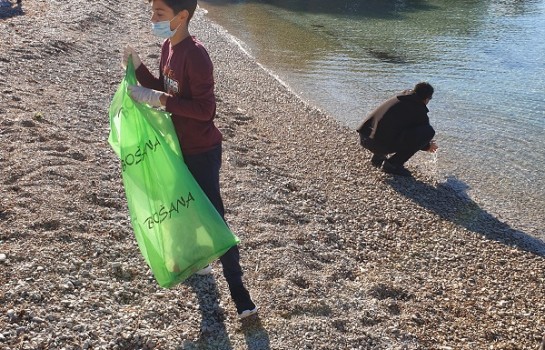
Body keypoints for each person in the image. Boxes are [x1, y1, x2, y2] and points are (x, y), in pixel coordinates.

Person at [122, 0, 257, 319]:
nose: (152, 18)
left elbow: (205, 110)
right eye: (152, 11)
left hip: (202, 150)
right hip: (177, 147)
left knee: (214, 217)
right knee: (184, 205)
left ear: (182, 16)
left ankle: (241, 297)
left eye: (159, 13)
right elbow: (165, 88)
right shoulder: (169, 47)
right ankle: (200, 263)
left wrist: (158, 99)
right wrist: (139, 68)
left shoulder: (196, 55)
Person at [357, 82, 438, 177]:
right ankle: (392, 165)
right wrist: (428, 146)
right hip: (377, 144)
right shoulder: (418, 110)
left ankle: (378, 157)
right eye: (430, 98)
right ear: (426, 98)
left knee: (393, 127)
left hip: (364, 137)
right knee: (429, 132)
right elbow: (418, 138)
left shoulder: (401, 97)